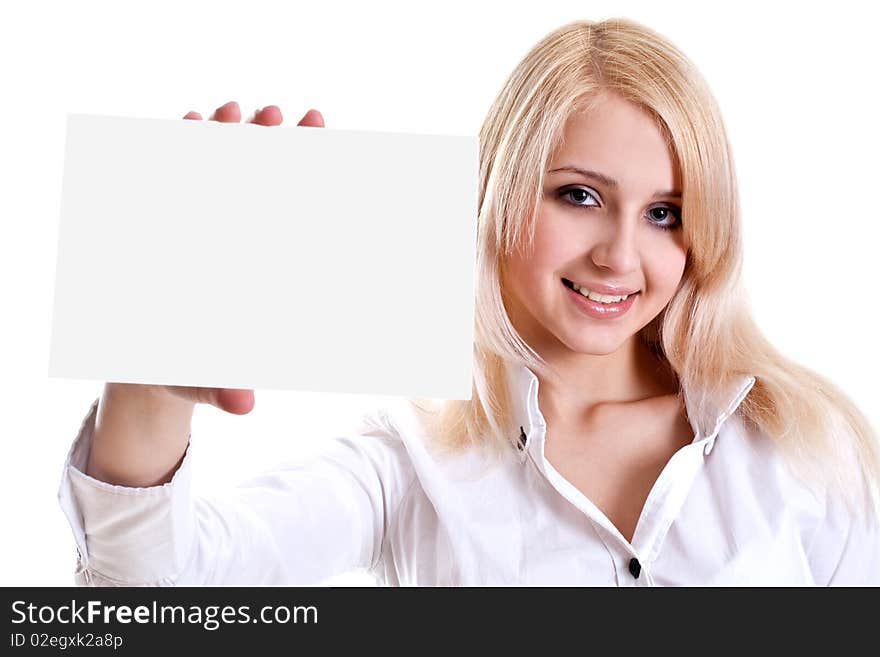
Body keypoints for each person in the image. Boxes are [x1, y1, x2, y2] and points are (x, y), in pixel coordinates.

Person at [58, 17, 880, 586]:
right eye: (579, 197)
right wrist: (152, 377)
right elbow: (143, 595)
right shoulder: (408, 462)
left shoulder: (799, 440)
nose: (621, 255)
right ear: (497, 193)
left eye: (663, 212)